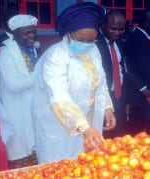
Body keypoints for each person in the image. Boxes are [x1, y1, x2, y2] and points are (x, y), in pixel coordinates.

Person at [31, 2, 116, 164]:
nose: (86, 44)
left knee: (88, 166)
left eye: (91, 40)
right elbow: (59, 96)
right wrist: (83, 126)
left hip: (90, 122)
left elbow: (101, 81)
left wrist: (107, 108)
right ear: (69, 34)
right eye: (81, 39)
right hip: (58, 127)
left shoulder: (93, 50)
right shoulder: (55, 57)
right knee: (61, 166)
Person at [0, 14, 39, 169]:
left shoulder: (33, 49)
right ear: (14, 34)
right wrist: (40, 74)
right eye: (26, 33)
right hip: (16, 110)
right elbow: (14, 85)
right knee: (19, 151)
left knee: (35, 151)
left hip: (33, 107)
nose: (31, 36)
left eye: (33, 32)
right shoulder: (6, 53)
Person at [124, 9, 150, 135]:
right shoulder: (137, 40)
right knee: (138, 131)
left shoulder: (146, 39)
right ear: (147, 24)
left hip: (148, 93)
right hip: (141, 94)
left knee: (147, 128)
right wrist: (143, 88)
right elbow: (130, 68)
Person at [96, 10, 128, 138]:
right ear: (103, 25)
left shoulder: (118, 41)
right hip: (103, 96)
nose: (117, 33)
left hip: (119, 95)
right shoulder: (94, 43)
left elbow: (121, 66)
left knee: (120, 132)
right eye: (113, 28)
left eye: (121, 29)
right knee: (105, 132)